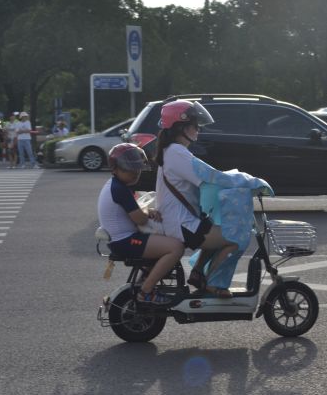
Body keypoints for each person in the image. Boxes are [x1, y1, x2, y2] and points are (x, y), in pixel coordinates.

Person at [155, 100, 239, 298]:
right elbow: (210, 176)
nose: (198, 129)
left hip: (180, 220)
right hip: (181, 224)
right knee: (234, 238)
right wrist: (246, 182)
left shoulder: (174, 151)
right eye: (195, 125)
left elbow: (208, 174)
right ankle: (211, 283)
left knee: (216, 227)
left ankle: (198, 273)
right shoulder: (177, 152)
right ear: (181, 126)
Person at [98, 143, 184, 306]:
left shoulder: (116, 185)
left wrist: (146, 211)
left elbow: (135, 214)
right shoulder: (120, 189)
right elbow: (140, 220)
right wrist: (148, 212)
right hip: (126, 241)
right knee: (176, 247)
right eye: (129, 170)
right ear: (115, 169)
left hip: (122, 239)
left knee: (165, 247)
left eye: (137, 169)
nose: (135, 173)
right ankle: (145, 292)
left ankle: (141, 285)